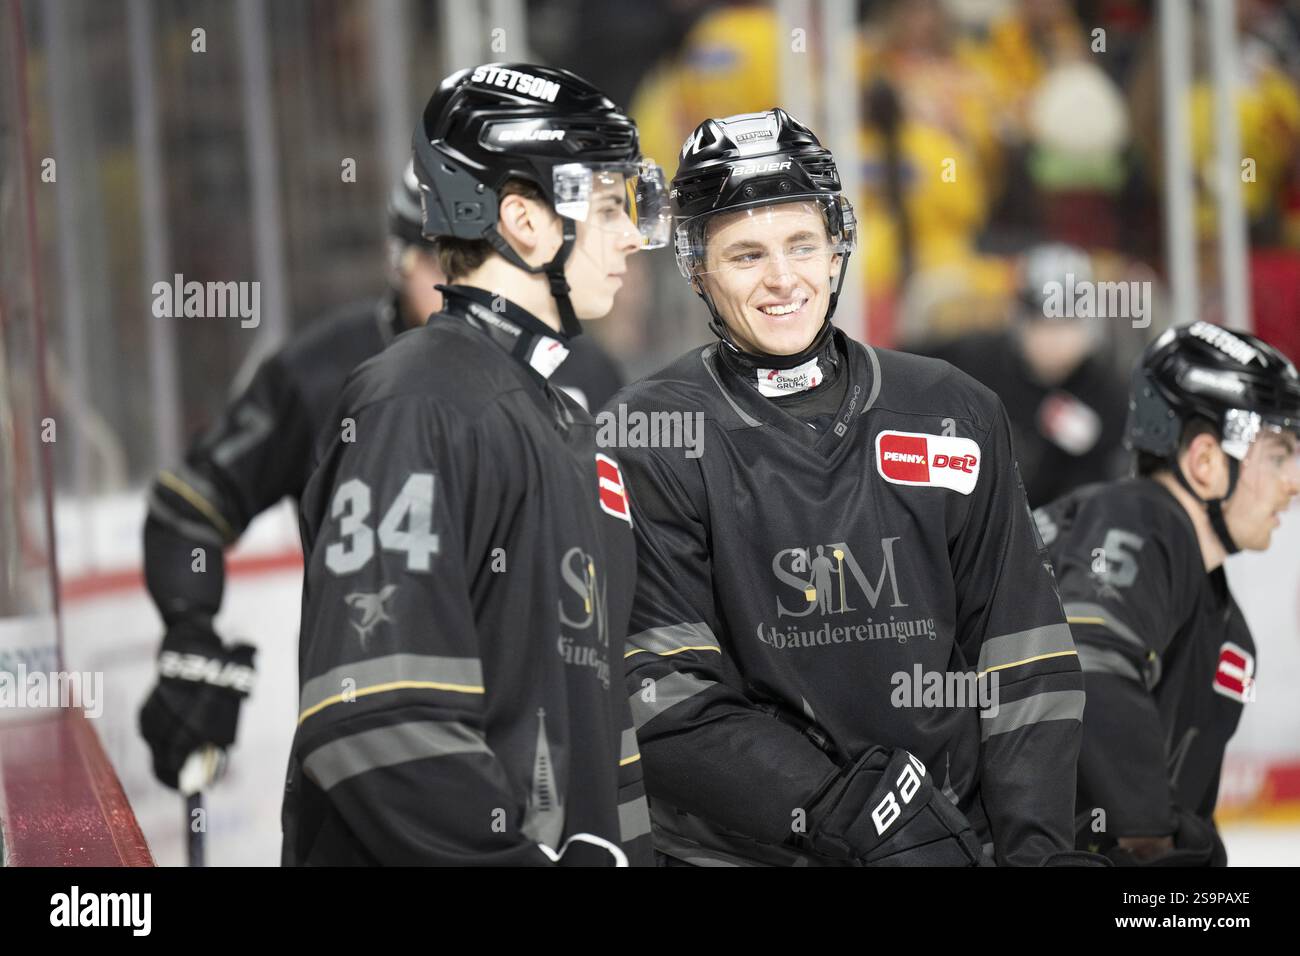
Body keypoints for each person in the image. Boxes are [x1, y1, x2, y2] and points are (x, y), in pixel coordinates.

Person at [610, 109, 1084, 866]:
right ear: (697, 268)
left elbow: (1023, 657)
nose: (781, 279)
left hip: (954, 846)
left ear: (837, 250)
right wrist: (860, 819)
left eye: (802, 244)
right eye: (745, 255)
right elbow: (663, 697)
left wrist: (1039, 852)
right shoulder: (647, 435)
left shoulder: (952, 410)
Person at [282, 63, 670, 865]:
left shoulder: (557, 413)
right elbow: (374, 718)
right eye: (606, 207)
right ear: (524, 221)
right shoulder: (418, 399)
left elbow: (597, 725)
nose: (631, 234)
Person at [138, 164, 446, 795]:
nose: (458, 284)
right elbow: (188, 508)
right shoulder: (320, 373)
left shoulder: (577, 375)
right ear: (398, 257)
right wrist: (189, 631)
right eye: (439, 258)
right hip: (362, 757)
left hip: (529, 750)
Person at [1035, 322, 1300, 865]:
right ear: (1205, 461)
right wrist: (1159, 852)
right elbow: (1090, 669)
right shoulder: (1137, 519)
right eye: (1278, 454)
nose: (1293, 480)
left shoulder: (1227, 631)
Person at [912, 243, 1130, 507]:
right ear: (1018, 319)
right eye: (1041, 323)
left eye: (1067, 322)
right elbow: (898, 371)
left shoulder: (1112, 395)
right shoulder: (975, 361)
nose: (1055, 339)